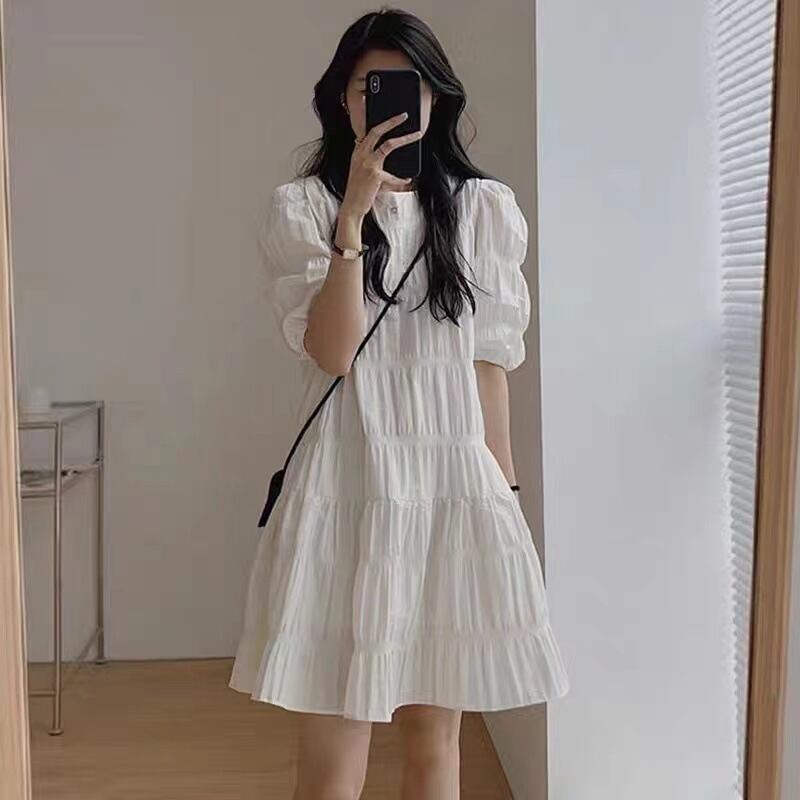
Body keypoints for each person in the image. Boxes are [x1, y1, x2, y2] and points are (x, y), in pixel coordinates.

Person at [228, 8, 569, 799]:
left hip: (451, 488)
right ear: (342, 100)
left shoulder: (484, 209)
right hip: (347, 483)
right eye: (367, 87)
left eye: (405, 86)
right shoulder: (303, 208)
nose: (384, 102)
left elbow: (489, 364)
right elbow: (334, 353)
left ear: (435, 97)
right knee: (333, 756)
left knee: (434, 744)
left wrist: (505, 497)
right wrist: (352, 215)